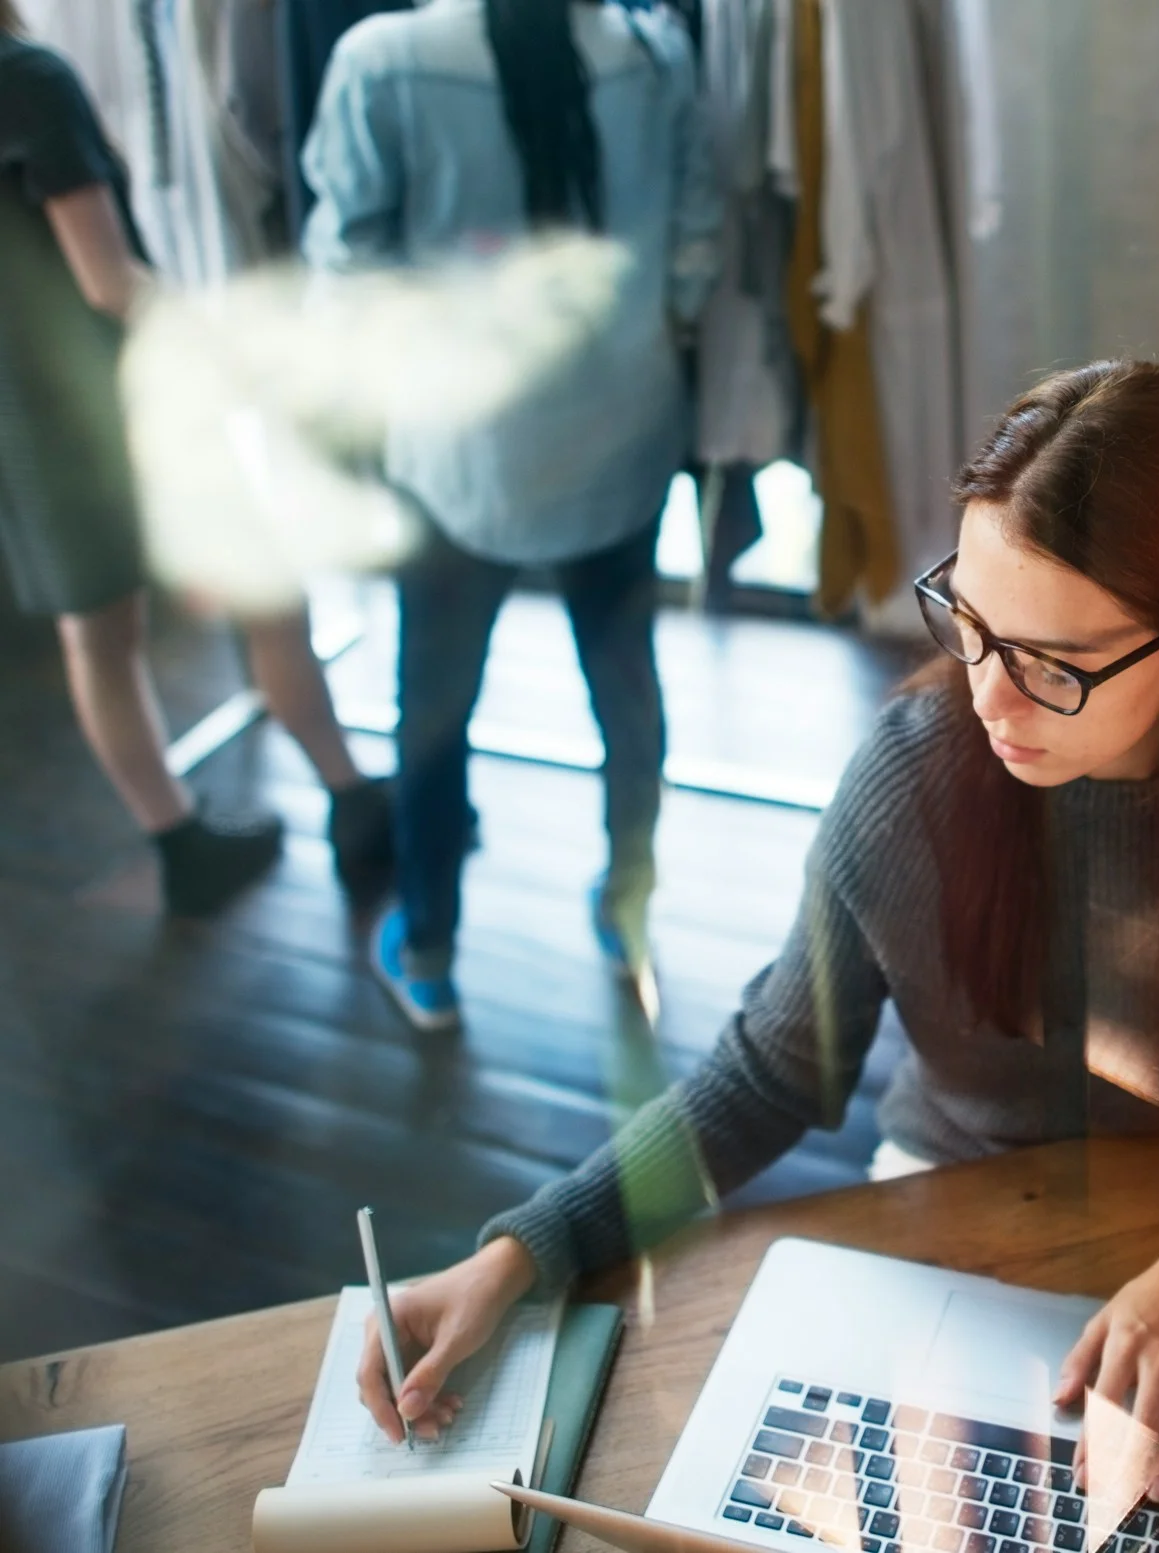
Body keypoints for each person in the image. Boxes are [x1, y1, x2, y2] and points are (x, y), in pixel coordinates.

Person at [356, 361, 1159, 1493]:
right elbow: (769, 1070)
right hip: (955, 1192)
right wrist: (526, 1249)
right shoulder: (912, 780)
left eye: (1053, 661)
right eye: (970, 622)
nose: (989, 693)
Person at [302, 0, 721, 1031]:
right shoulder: (652, 51)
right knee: (626, 688)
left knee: (434, 706)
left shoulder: (382, 58)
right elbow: (699, 246)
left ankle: (433, 950)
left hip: (459, 452)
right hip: (621, 428)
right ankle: (628, 909)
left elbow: (347, 266)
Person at [0, 0, 392, 915]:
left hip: (19, 423)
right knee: (265, 595)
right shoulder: (29, 81)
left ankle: (178, 844)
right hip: (127, 406)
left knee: (96, 635)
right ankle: (352, 797)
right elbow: (109, 283)